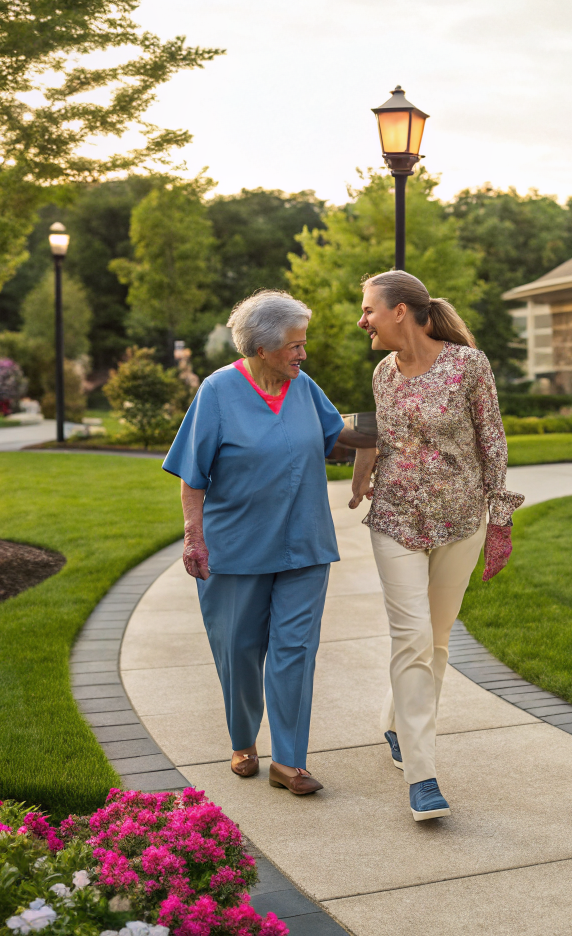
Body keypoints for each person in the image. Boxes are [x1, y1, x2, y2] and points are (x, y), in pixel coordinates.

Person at [163, 289, 376, 795]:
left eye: (303, 343)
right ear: (261, 350)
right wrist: (194, 536)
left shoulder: (302, 386)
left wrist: (399, 423)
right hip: (235, 547)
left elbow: (337, 435)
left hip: (305, 542)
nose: (303, 354)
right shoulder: (217, 392)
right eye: (294, 345)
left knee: (295, 648)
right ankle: (243, 740)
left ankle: (289, 760)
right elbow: (192, 475)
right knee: (238, 649)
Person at [349, 270, 523, 821]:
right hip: (396, 519)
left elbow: (491, 440)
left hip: (461, 519)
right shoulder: (383, 372)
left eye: (369, 309)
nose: (362, 320)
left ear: (400, 311)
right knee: (412, 638)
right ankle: (423, 777)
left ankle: (397, 723)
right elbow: (384, 436)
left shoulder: (469, 366)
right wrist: (362, 473)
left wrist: (500, 519)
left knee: (438, 639)